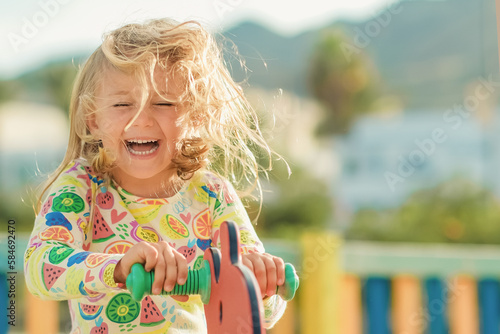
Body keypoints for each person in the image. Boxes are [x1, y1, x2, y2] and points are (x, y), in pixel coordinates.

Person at [24, 18, 287, 333]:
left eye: (164, 102)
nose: (142, 120)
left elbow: (263, 312)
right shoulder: (81, 186)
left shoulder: (212, 194)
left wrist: (262, 280)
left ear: (196, 115)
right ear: (93, 119)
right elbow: (42, 267)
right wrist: (118, 268)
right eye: (123, 103)